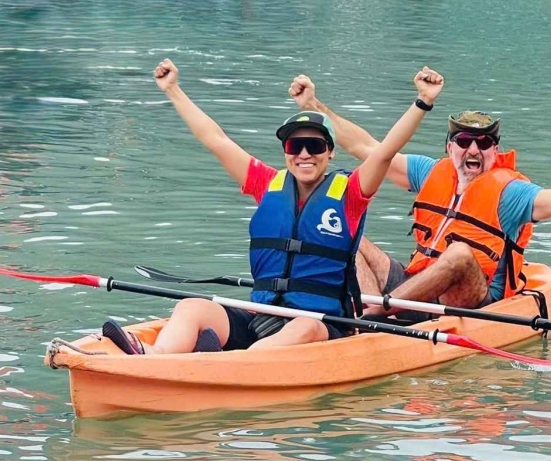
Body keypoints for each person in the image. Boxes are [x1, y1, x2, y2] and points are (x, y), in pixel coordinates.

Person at [116, 59, 445, 355]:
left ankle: (229, 365)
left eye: (314, 145)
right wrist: (173, 90)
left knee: (305, 325)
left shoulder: (351, 193)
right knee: (192, 307)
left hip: (321, 326)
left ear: (330, 152)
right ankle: (155, 358)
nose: (304, 154)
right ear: (286, 150)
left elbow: (385, 151)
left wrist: (423, 101)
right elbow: (216, 140)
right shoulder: (266, 183)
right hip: (265, 320)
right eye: (295, 145)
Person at [288, 76, 551, 310]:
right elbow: (366, 147)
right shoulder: (430, 172)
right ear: (450, 147)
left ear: (494, 150)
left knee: (459, 254)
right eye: (464, 141)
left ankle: (375, 316)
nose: (473, 150)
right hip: (414, 286)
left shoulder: (510, 192)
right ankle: (366, 312)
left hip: (473, 298)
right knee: (348, 234)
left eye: (483, 143)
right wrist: (313, 104)